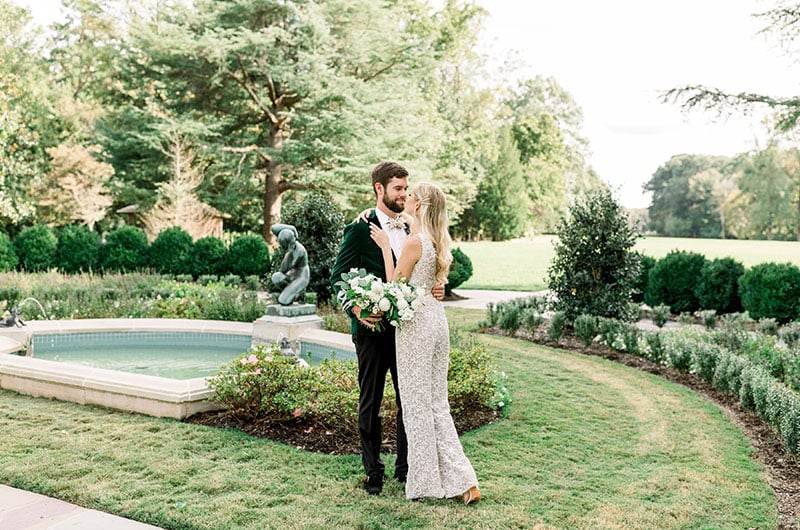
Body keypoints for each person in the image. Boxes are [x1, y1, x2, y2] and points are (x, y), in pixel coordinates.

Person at [330, 161, 444, 496]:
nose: (403, 195)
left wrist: (438, 285)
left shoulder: (414, 226)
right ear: (379, 189)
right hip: (371, 332)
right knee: (371, 401)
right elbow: (338, 276)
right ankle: (373, 471)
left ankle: (406, 468)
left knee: (410, 399)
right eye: (398, 189)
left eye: (406, 189)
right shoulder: (359, 229)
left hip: (410, 329)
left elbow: (428, 266)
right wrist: (355, 307)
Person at [369, 181, 481, 505]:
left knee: (417, 407)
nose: (407, 199)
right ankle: (464, 481)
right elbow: (434, 283)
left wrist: (383, 250)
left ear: (419, 206)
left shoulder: (414, 242)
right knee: (437, 405)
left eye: (412, 197)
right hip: (437, 321)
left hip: (416, 325)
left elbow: (394, 286)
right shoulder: (436, 240)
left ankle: (424, 484)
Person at [270, 223, 310, 305]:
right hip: (292, 274)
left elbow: (283, 269)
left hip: (301, 276)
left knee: (283, 301)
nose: (280, 246)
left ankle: (295, 292)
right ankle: (294, 293)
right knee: (276, 277)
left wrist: (290, 252)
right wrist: (292, 228)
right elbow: (274, 227)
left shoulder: (299, 251)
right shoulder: (291, 246)